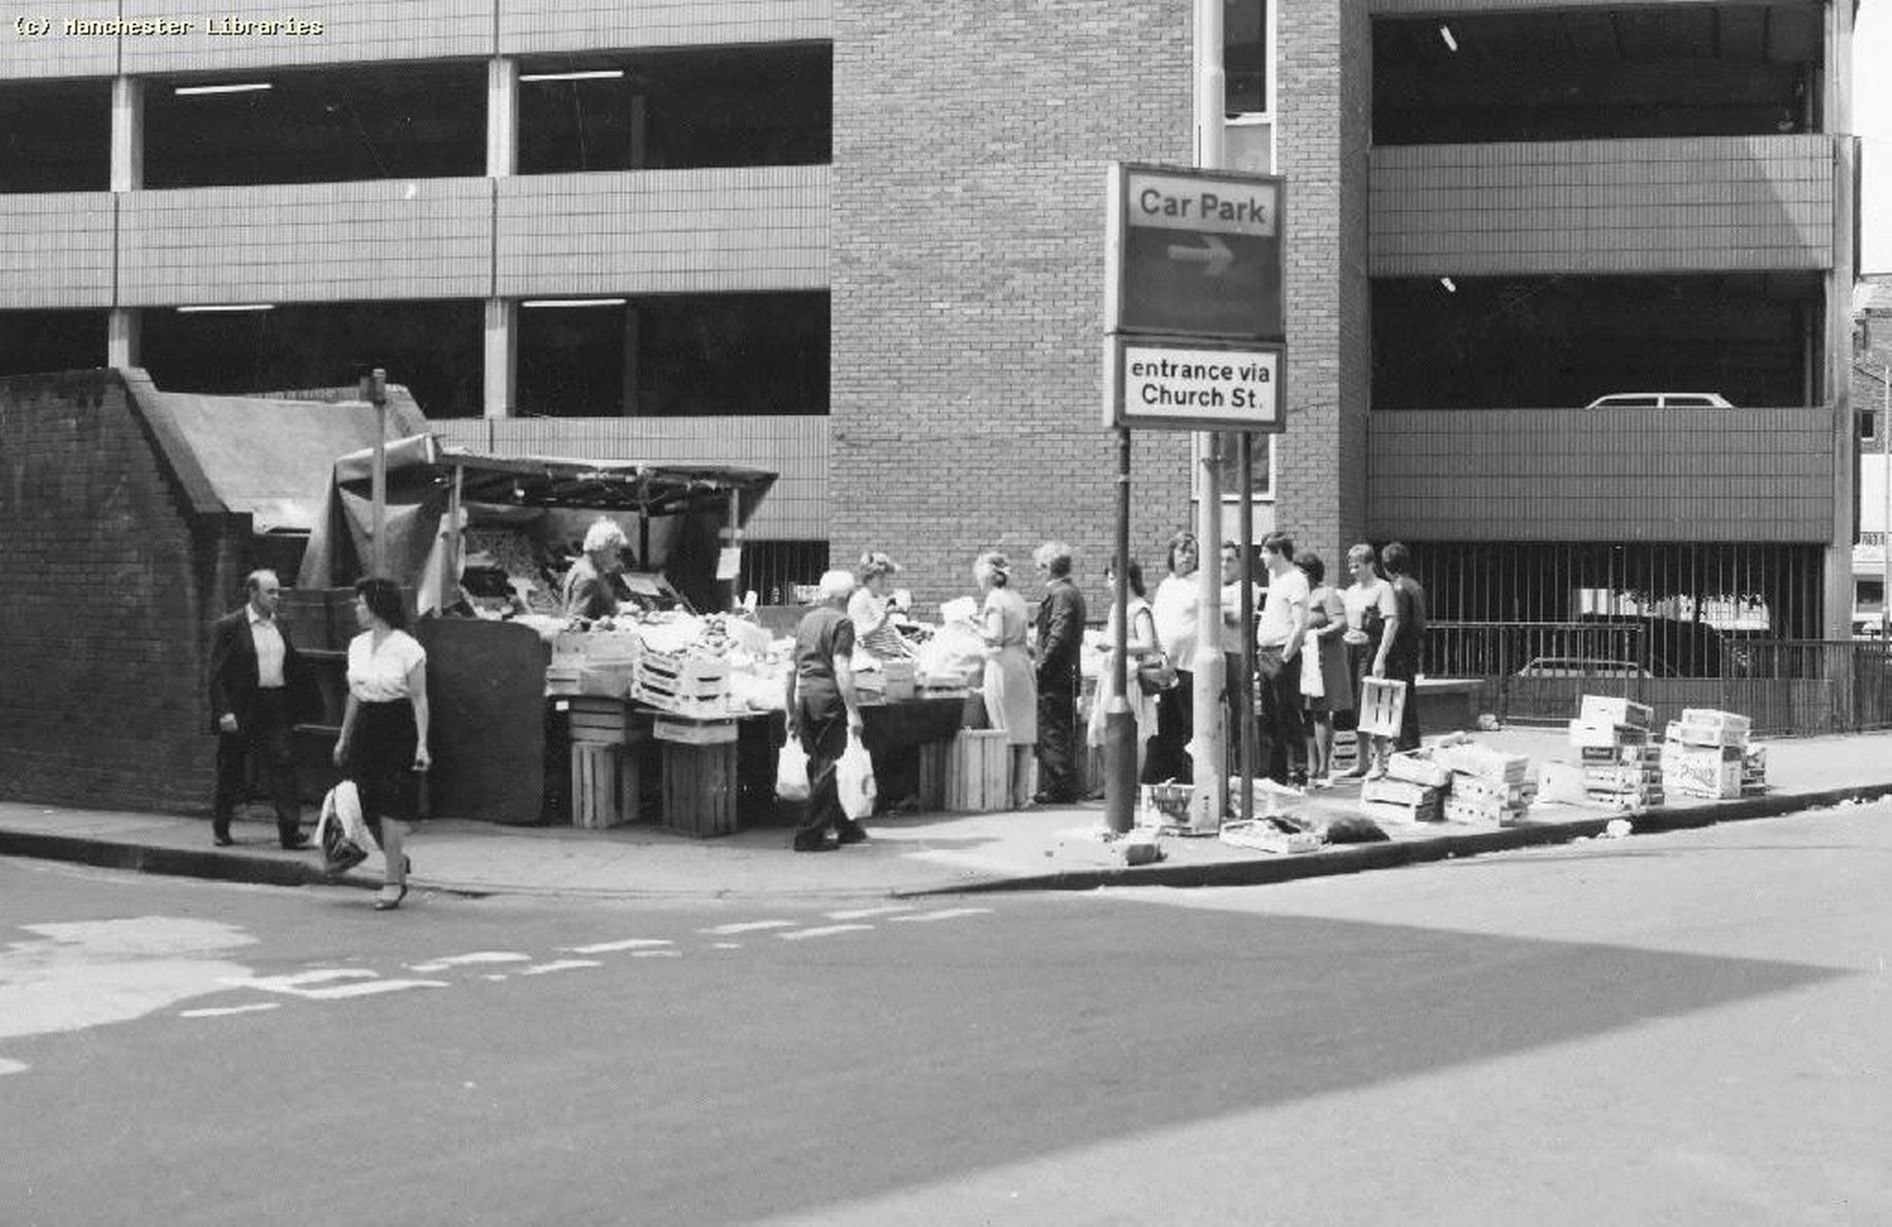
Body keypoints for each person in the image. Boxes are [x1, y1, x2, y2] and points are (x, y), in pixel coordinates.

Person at [332, 576, 431, 910]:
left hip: (397, 725)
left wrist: (421, 744)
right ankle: (397, 861)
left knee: (392, 805)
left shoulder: (408, 648)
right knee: (363, 804)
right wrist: (344, 737)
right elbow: (354, 695)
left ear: (376, 605)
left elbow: (419, 698)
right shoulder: (356, 645)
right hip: (366, 727)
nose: (357, 608)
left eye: (361, 603)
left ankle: (391, 881)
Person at [208, 569, 313, 849]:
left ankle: (289, 831)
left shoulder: (281, 625)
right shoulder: (230, 626)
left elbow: (291, 665)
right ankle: (221, 827)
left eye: (278, 591)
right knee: (231, 767)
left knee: (283, 765)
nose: (276, 597)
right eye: (271, 592)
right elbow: (215, 674)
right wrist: (224, 712)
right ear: (253, 593)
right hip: (242, 706)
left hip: (274, 703)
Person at [783, 570, 868, 852]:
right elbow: (842, 668)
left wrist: (790, 709)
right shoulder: (843, 623)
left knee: (821, 763)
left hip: (806, 696)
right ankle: (808, 835)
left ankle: (846, 826)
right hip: (829, 697)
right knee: (831, 766)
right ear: (846, 596)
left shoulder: (807, 620)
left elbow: (791, 668)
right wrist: (854, 711)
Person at [1085, 559, 1159, 780]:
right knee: (1099, 729)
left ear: (1124, 580)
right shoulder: (1116, 608)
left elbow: (1147, 643)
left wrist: (1113, 644)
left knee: (1135, 733)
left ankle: (1130, 783)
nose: (1108, 584)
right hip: (1111, 674)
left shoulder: (1139, 609)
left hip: (1131, 678)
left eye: (1110, 578)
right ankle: (1113, 782)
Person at [974, 551, 1038, 809]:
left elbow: (995, 636)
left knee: (1004, 730)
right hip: (1023, 663)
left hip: (1002, 665)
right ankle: (1021, 795)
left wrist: (973, 625)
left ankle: (1003, 796)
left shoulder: (994, 599)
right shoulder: (1017, 598)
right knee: (1024, 733)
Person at [1032, 541, 1087, 804]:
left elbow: (1058, 636)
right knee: (1059, 729)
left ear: (1048, 568)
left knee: (1052, 730)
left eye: (1039, 568)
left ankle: (1061, 785)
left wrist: (1041, 669)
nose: (1037, 573)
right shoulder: (1070, 592)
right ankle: (1062, 784)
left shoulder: (1062, 595)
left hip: (1055, 677)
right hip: (1066, 674)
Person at [1254, 531, 1310, 785]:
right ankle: (1277, 775)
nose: (1261, 556)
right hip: (1266, 654)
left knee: (1287, 714)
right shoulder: (1276, 580)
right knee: (1271, 717)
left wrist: (1285, 657)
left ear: (1277, 552)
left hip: (1280, 655)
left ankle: (1299, 771)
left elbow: (1300, 625)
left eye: (1265, 551)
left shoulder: (1296, 579)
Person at [1144, 530, 1200, 784]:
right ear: (1171, 555)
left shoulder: (1201, 583)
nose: (1187, 557)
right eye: (1182, 551)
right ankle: (1161, 779)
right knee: (1164, 726)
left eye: (1192, 552)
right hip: (1165, 668)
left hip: (1190, 666)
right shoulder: (1166, 585)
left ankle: (1187, 778)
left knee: (1187, 727)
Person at [1340, 543, 1398, 779]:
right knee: (1356, 705)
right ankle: (1362, 760)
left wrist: (1381, 657)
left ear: (1370, 565)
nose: (1353, 571)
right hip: (1350, 649)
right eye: (1351, 566)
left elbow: (1391, 622)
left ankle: (1379, 762)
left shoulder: (1382, 588)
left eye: (1358, 566)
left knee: (1374, 704)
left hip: (1371, 650)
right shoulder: (1351, 591)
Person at [1295, 551, 1353, 787]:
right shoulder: (1298, 596)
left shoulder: (1326, 594)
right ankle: (1310, 765)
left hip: (1323, 660)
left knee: (1320, 711)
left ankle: (1323, 767)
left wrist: (1316, 634)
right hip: (1303, 660)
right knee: (1305, 713)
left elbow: (1341, 623)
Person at [1219, 540, 1264, 782]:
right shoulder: (1210, 586)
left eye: (1230, 559)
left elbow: (1238, 617)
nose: (1225, 564)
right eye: (1221, 560)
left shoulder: (1248, 587)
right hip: (1213, 657)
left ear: (1239, 562)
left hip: (1237, 656)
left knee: (1241, 713)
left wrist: (1209, 606)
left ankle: (1246, 770)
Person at [1379, 541, 1428, 755]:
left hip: (1399, 650)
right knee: (1407, 694)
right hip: (1412, 647)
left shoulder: (1398, 588)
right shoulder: (1415, 586)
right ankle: (1410, 742)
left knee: (1399, 697)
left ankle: (1404, 743)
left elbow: (1398, 621)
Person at [562, 517, 636, 621]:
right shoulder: (589, 577)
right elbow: (577, 622)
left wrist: (619, 608)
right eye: (615, 548)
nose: (617, 553)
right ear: (602, 547)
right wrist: (612, 623)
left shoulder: (580, 566)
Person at [850, 551, 911, 660]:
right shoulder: (860, 600)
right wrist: (885, 617)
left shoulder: (880, 599)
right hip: (873, 658)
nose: (885, 581)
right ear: (868, 578)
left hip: (891, 655)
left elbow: (890, 631)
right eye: (881, 577)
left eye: (885, 577)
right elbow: (862, 634)